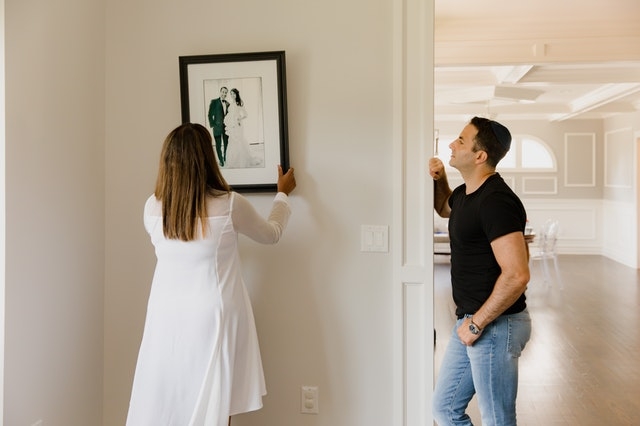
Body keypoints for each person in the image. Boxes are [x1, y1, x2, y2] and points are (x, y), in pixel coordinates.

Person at [126, 123, 297, 426]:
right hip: (213, 316)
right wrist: (281, 195)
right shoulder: (229, 205)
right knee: (216, 403)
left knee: (169, 399)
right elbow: (271, 234)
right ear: (207, 158)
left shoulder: (152, 208)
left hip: (165, 317)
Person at [430, 117, 531, 426]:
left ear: (480, 156)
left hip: (495, 325)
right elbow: (447, 207)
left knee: (497, 419)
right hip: (472, 322)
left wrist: (476, 325)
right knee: (444, 410)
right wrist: (439, 180)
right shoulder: (465, 194)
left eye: (460, 140)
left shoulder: (496, 201)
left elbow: (517, 274)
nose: (451, 144)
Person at [223, 88, 253, 168]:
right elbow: (230, 115)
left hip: (238, 125)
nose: (232, 95)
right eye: (231, 94)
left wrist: (239, 119)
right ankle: (232, 160)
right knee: (232, 141)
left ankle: (240, 160)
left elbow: (245, 114)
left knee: (238, 140)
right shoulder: (231, 104)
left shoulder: (239, 103)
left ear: (237, 94)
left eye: (234, 94)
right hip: (232, 125)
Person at [208, 87, 230, 166]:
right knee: (218, 145)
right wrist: (213, 124)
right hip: (217, 128)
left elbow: (229, 116)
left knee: (226, 144)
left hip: (226, 128)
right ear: (220, 92)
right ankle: (221, 160)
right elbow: (210, 114)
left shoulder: (228, 104)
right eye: (223, 92)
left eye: (226, 92)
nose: (224, 94)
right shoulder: (214, 102)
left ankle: (225, 158)